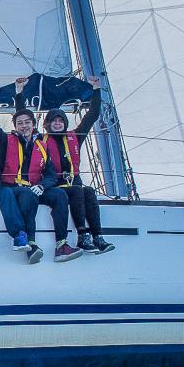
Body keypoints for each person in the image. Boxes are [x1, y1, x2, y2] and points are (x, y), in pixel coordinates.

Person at [0, 89, 82, 263]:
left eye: (27, 122)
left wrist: (42, 185)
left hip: (35, 187)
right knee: (27, 194)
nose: (24, 126)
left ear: (34, 124)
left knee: (60, 194)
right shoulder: (5, 141)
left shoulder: (42, 145)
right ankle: (31, 244)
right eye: (20, 123)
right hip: (12, 187)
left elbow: (50, 174)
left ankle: (62, 244)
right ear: (15, 126)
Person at [26, 76, 115, 255]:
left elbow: (92, 116)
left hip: (73, 182)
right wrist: (20, 94)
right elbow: (24, 119)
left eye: (60, 121)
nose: (57, 123)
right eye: (53, 121)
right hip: (53, 185)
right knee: (77, 190)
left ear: (65, 123)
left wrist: (96, 89)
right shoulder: (40, 140)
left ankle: (98, 236)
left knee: (89, 191)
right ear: (47, 124)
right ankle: (82, 234)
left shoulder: (75, 137)